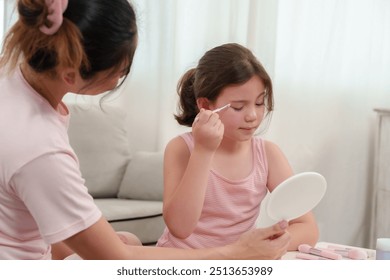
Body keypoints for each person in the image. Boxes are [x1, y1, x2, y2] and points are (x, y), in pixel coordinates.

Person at [0, 0, 290, 260]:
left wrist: (93, 242)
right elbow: (119, 259)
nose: (252, 115)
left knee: (127, 240)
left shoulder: (14, 82)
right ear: (70, 74)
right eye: (121, 70)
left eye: (259, 103)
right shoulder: (40, 150)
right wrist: (237, 253)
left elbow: (43, 225)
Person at [156, 43, 319, 250]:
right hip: (185, 262)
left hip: (236, 264)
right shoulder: (182, 149)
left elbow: (307, 228)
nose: (252, 116)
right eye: (238, 107)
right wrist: (204, 150)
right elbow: (180, 227)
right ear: (205, 106)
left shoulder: (267, 154)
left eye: (259, 103)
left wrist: (263, 245)